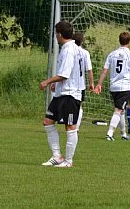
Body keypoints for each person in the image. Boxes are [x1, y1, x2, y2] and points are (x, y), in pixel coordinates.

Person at [39, 21, 83, 168]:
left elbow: (64, 74)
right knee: (48, 121)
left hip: (70, 94)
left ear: (59, 34)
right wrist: (55, 83)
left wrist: (47, 81)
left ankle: (69, 161)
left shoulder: (70, 49)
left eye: (56, 34)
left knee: (70, 127)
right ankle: (57, 156)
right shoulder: (68, 48)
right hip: (61, 93)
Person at [94, 32, 130, 141]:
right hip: (124, 87)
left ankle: (123, 134)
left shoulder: (112, 54)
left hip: (113, 87)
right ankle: (109, 133)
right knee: (118, 110)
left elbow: (105, 71)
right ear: (129, 42)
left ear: (119, 40)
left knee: (121, 110)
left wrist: (99, 84)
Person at [73, 32, 94, 132]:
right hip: (80, 85)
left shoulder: (69, 51)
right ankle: (76, 127)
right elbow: (89, 70)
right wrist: (91, 83)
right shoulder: (85, 53)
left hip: (70, 83)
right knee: (79, 105)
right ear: (81, 41)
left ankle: (72, 125)